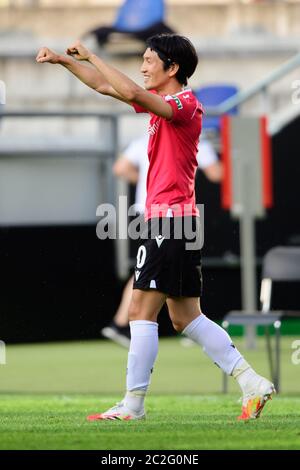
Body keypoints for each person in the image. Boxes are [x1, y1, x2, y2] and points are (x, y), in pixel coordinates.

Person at [36, 33, 275, 422]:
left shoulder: (184, 103)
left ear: (172, 68)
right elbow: (105, 85)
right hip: (176, 220)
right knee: (185, 318)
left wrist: (94, 54)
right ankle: (252, 382)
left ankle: (133, 405)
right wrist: (65, 62)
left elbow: (126, 88)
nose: (143, 67)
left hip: (169, 220)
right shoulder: (166, 105)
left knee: (139, 312)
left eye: (149, 60)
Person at [101, 134, 223, 348]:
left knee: (153, 269)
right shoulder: (192, 139)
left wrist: (147, 180)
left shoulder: (145, 139)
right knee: (161, 270)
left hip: (146, 212)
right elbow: (216, 173)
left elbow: (120, 168)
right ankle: (185, 324)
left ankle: (124, 323)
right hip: (173, 212)